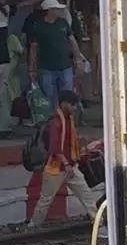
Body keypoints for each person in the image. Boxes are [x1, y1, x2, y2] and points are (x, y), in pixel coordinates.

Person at [30, 90, 100, 226]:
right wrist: (66, 164)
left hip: (70, 167)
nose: (74, 108)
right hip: (56, 168)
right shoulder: (55, 122)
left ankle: (98, 222)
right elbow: (54, 148)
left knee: (86, 195)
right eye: (72, 105)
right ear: (63, 104)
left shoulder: (69, 120)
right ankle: (34, 225)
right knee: (46, 200)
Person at [27, 0, 84, 104]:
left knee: (67, 98)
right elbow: (33, 48)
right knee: (49, 99)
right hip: (46, 68)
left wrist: (78, 59)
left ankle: (67, 119)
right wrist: (31, 69)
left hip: (65, 66)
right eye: (57, 9)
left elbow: (72, 41)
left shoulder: (63, 23)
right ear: (50, 10)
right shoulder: (38, 26)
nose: (60, 11)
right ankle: (54, 119)